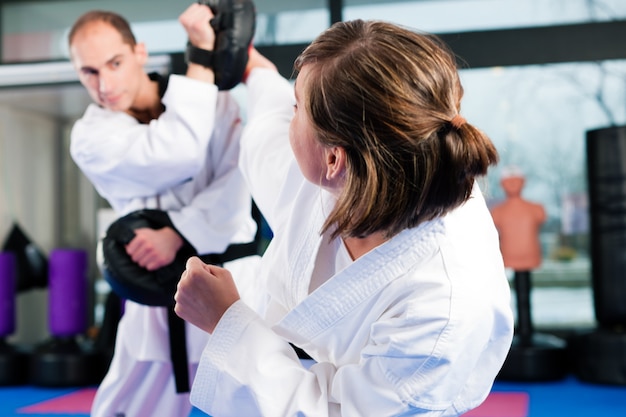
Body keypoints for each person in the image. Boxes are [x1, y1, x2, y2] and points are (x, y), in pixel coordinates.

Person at [175, 19, 515, 417]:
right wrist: (251, 64)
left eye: (297, 108)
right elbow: (265, 132)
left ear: (335, 157)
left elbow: (336, 412)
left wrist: (226, 321)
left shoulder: (443, 301)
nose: (290, 116)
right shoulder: (352, 173)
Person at [68, 5, 259, 417]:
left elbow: (236, 185)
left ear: (139, 52)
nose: (104, 84)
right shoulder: (90, 136)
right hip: (156, 296)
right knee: (124, 408)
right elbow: (179, 154)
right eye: (89, 72)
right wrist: (201, 57)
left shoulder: (218, 103)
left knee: (265, 397)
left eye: (114, 63)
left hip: (233, 284)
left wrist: (175, 232)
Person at [490, 168, 547, 271]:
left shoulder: (537, 209)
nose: (512, 183)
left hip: (531, 256)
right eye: (508, 181)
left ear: (523, 182)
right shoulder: (496, 212)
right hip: (508, 258)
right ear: (502, 184)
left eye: (516, 179)